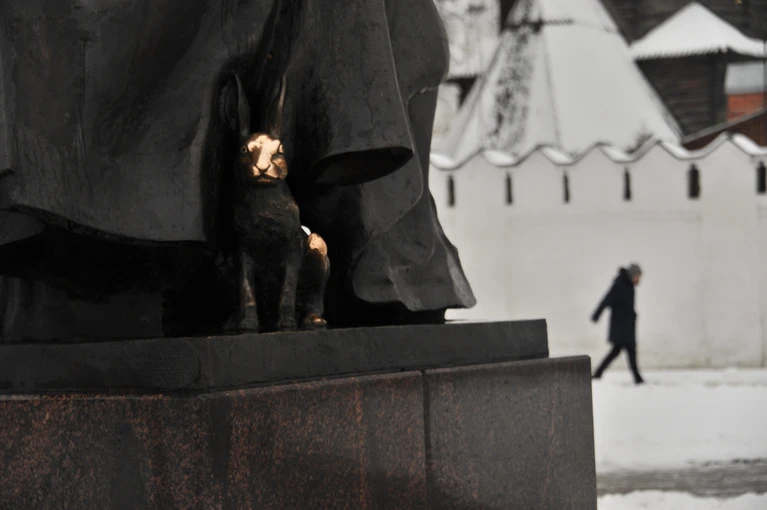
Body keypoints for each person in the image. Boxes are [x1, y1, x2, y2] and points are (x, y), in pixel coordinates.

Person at [591, 263, 645, 384]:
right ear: (632, 275)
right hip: (620, 327)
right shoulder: (619, 285)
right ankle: (637, 378)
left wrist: (632, 315)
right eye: (637, 276)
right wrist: (597, 314)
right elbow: (606, 300)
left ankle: (598, 373)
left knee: (619, 351)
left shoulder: (629, 286)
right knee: (624, 351)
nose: (638, 279)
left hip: (627, 326)